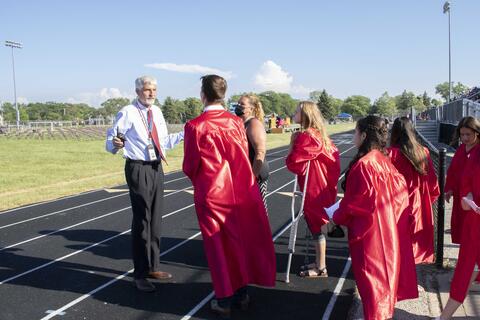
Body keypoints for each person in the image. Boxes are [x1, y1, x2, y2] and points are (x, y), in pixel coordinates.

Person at [183, 75, 276, 319]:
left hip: (213, 193)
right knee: (239, 242)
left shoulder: (195, 126)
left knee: (217, 248)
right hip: (239, 190)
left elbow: (190, 165)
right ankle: (242, 293)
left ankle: (224, 298)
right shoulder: (236, 122)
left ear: (203, 95)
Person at [332, 115, 416, 320]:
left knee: (374, 294)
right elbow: (401, 200)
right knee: (382, 292)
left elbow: (356, 204)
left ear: (363, 134)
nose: (354, 136)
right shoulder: (385, 162)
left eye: (355, 131)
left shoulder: (365, 165)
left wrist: (334, 216)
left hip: (370, 238)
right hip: (389, 233)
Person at [106, 76, 184, 292]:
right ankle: (139, 273)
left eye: (154, 90)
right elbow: (111, 141)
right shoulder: (128, 112)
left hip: (156, 166)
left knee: (156, 219)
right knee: (143, 219)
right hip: (137, 167)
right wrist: (115, 143)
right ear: (138, 91)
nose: (152, 93)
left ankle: (153, 267)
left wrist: (186, 133)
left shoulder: (157, 112)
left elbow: (164, 142)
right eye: (148, 90)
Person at [285, 101, 340, 278]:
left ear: (306, 115)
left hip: (313, 188)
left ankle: (321, 267)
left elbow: (295, 165)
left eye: (297, 111)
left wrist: (292, 145)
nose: (294, 114)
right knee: (319, 224)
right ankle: (318, 262)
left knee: (316, 226)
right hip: (324, 187)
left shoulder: (306, 137)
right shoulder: (321, 136)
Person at [437, 144, 480, 319]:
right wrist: (467, 198)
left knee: (469, 269)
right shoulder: (476, 154)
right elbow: (467, 184)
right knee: (466, 269)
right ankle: (444, 317)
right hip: (475, 222)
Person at [388, 117, 440, 264]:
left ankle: (398, 280)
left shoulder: (390, 154)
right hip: (418, 200)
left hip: (395, 202)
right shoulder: (423, 152)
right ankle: (412, 281)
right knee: (414, 242)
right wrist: (428, 199)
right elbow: (432, 182)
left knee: (397, 240)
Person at [445, 116, 480, 244]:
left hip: (476, 200)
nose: (465, 138)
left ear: (477, 132)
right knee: (464, 235)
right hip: (462, 198)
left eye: (468, 134)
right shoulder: (461, 149)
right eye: (462, 134)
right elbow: (453, 171)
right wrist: (449, 188)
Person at [235, 94, 269, 211]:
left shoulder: (254, 124)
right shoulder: (241, 124)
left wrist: (252, 178)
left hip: (256, 174)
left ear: (251, 108)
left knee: (258, 212)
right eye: (238, 103)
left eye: (242, 104)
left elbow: (260, 152)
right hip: (244, 174)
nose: (238, 106)